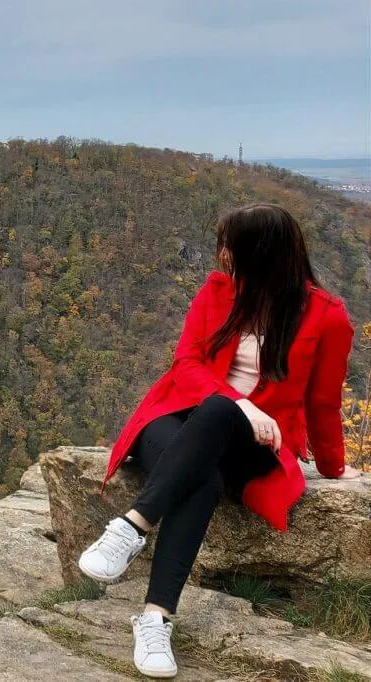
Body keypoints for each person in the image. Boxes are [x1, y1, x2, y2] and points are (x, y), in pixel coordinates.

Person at [77, 203, 360, 679]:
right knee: (203, 479)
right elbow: (185, 364)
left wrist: (332, 466)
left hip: (255, 445)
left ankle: (131, 526)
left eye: (230, 244)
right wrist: (239, 404)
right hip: (177, 420)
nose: (222, 254)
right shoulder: (217, 292)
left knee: (217, 424)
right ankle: (155, 618)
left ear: (260, 252)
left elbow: (324, 403)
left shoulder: (326, 316)